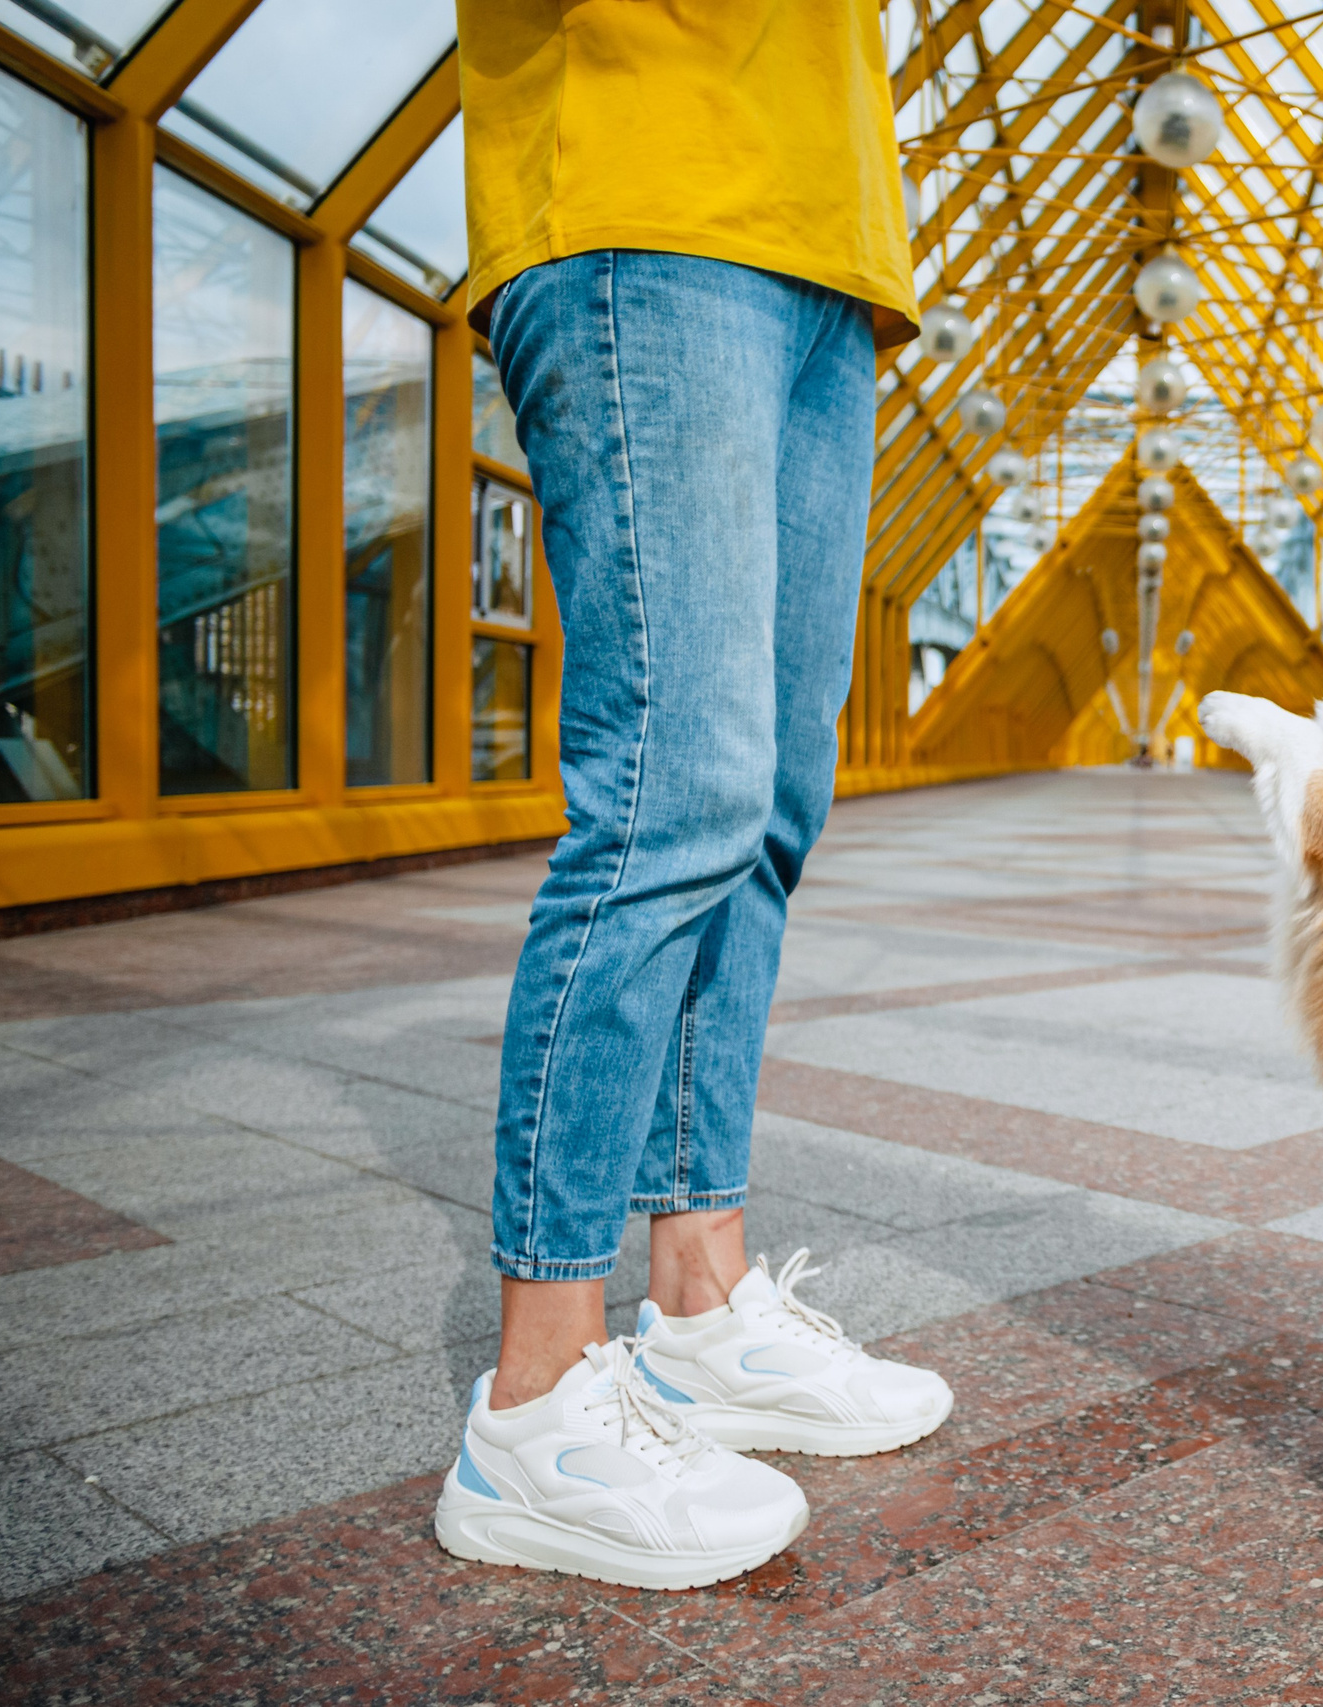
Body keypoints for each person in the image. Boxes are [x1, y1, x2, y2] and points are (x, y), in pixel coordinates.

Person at [430, 0, 950, 1592]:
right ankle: (534, 1408)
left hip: (832, 252)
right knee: (674, 798)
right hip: (646, 198)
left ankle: (704, 1307)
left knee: (772, 813)